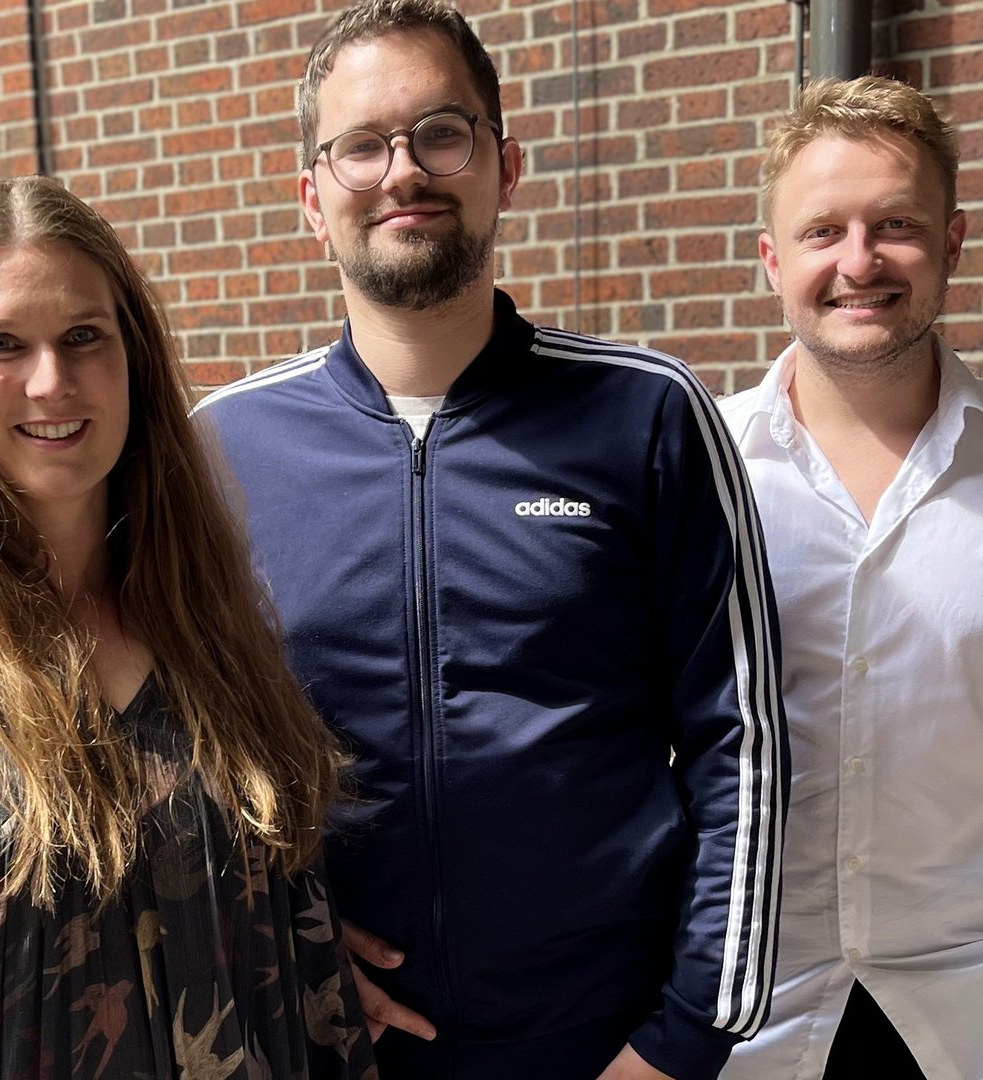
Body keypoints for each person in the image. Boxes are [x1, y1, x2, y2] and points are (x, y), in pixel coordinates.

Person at [193, 2, 788, 1078]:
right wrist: (284, 946)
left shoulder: (646, 414)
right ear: (311, 195)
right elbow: (187, 756)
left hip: (602, 1048)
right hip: (331, 1043)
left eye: (442, 133)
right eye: (361, 145)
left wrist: (685, 1037)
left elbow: (739, 742)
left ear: (506, 166)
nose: (403, 170)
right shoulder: (224, 449)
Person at [0, 175, 378, 1080]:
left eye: (84, 338)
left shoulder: (210, 628)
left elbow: (295, 955)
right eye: (2, 344)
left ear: (131, 354)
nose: (51, 381)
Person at [717, 76, 983, 1080]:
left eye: (897, 225)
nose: (860, 261)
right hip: (747, 1016)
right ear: (773, 260)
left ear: (953, 242)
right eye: (823, 230)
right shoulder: (697, 467)